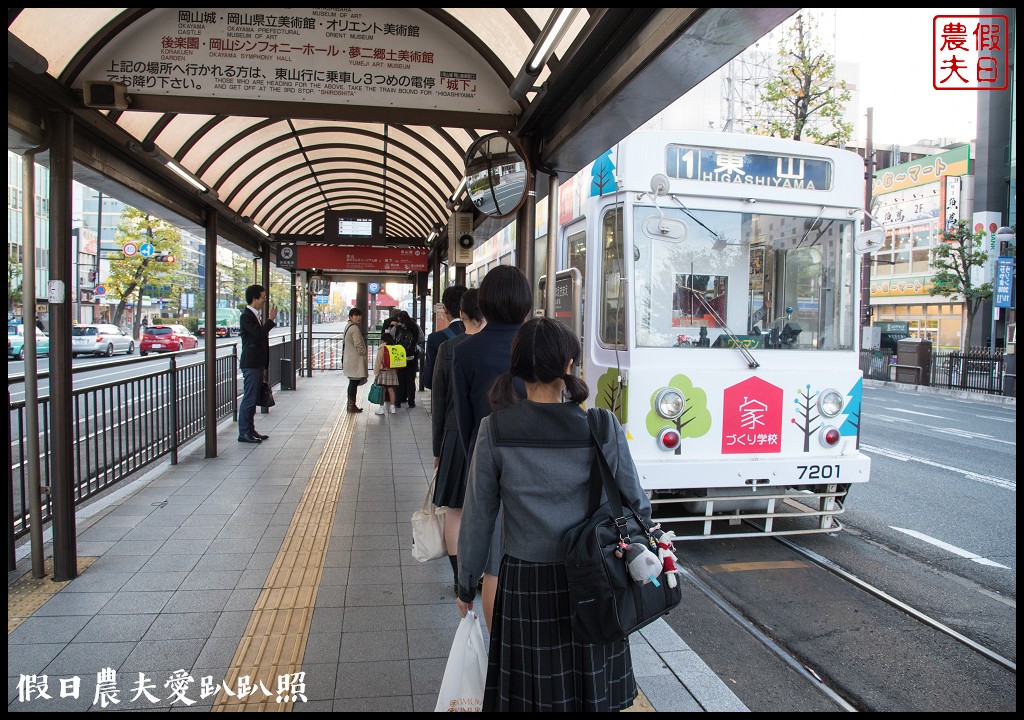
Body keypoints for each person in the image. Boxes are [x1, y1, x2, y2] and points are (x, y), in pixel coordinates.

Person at [456, 317, 657, 712]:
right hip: (595, 578)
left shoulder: (494, 429)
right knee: (590, 685)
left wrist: (466, 584)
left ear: (518, 369)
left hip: (526, 583)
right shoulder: (601, 425)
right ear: (568, 366)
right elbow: (638, 506)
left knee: (533, 690)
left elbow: (478, 518)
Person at [451, 265, 532, 628]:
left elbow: (465, 422)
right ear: (526, 303)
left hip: (492, 465)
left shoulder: (466, 352)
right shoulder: (539, 345)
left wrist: (477, 470)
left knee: (494, 565)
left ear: (484, 303)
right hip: (538, 464)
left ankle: (499, 652)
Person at [430, 288, 484, 592]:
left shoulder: (448, 348)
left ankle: (460, 576)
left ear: (460, 316)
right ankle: (482, 570)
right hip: (488, 435)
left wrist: (437, 449)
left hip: (453, 436)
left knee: (454, 510)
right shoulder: (496, 346)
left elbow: (439, 403)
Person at [238, 284, 277, 443]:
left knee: (253, 397)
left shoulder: (254, 315)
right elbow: (258, 334)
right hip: (251, 363)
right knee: (249, 398)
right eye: (262, 298)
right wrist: (270, 320)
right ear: (254, 298)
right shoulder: (246, 316)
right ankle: (244, 433)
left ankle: (250, 430)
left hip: (257, 363)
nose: (264, 301)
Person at [422, 284, 467, 390]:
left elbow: (429, 381)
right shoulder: (481, 336)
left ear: (445, 309)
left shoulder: (435, 338)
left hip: (449, 403)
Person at [392, 310, 424, 409]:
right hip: (411, 356)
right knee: (411, 380)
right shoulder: (414, 326)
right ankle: (411, 402)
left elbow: (392, 338)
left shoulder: (398, 327)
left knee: (400, 380)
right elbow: (420, 339)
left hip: (400, 357)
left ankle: (398, 402)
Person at [342, 307, 368, 413]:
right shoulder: (355, 328)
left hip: (349, 359)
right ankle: (351, 405)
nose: (358, 317)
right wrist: (363, 352)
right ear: (351, 316)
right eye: (356, 315)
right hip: (355, 360)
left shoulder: (348, 326)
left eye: (359, 315)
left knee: (352, 382)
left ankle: (351, 405)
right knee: (353, 382)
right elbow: (358, 344)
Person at [372, 328, 401, 415]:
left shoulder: (382, 348)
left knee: (383, 390)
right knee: (391, 389)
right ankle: (392, 408)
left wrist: (376, 373)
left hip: (383, 371)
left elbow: (378, 361)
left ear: (382, 340)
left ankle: (381, 409)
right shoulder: (394, 346)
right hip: (393, 371)